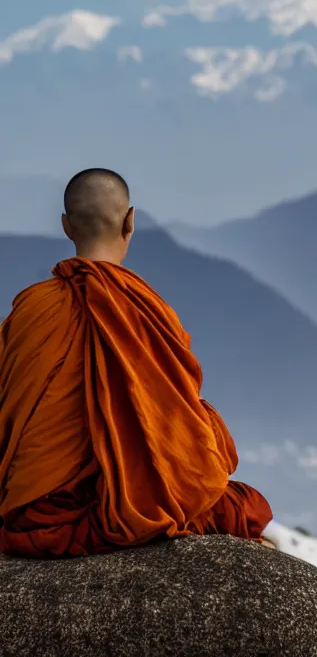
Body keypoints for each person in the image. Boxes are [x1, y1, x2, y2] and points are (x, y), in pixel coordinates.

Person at [0, 169, 272, 557]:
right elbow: (182, 430)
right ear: (130, 222)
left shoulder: (29, 311)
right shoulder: (149, 310)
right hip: (124, 508)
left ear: (65, 226)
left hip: (35, 515)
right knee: (242, 506)